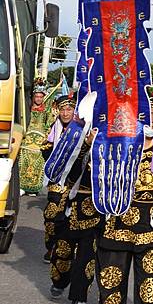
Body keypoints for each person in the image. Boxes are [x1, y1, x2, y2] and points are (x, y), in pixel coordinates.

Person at [95, 95, 153, 304]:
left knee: (149, 289)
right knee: (111, 285)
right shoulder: (119, 143)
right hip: (117, 222)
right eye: (148, 115)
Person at [49, 127, 100, 304]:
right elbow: (68, 169)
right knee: (63, 252)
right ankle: (59, 282)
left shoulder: (113, 139)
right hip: (71, 203)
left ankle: (79, 297)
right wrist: (86, 144)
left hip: (95, 207)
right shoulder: (76, 133)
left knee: (86, 257)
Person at [41, 93, 76, 264]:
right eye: (63, 109)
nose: (66, 113)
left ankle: (64, 250)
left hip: (74, 182)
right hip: (57, 180)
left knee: (69, 219)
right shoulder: (54, 129)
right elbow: (45, 148)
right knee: (51, 214)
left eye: (69, 109)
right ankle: (51, 246)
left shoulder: (79, 130)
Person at [19, 78, 53, 196]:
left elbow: (49, 124)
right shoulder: (26, 109)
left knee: (37, 164)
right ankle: (22, 186)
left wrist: (46, 138)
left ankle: (33, 189)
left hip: (39, 142)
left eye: (41, 97)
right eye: (36, 96)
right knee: (24, 163)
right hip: (26, 140)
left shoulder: (47, 110)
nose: (38, 99)